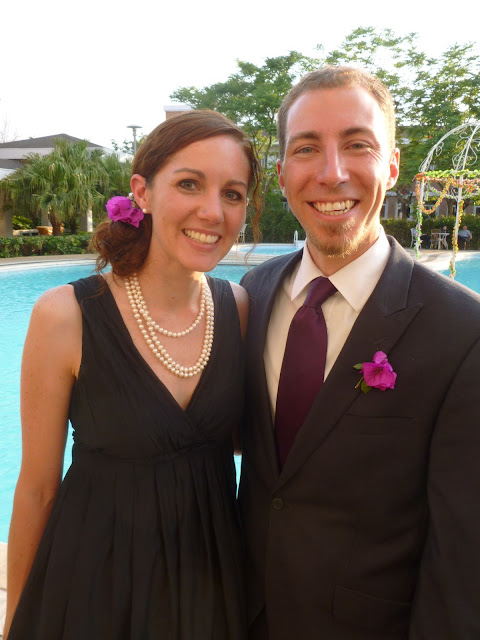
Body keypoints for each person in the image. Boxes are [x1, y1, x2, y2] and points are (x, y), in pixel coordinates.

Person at [239, 66, 480, 639]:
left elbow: (464, 559)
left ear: (391, 166)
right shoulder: (250, 295)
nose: (332, 172)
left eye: (357, 145)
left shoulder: (463, 331)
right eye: (306, 148)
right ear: (282, 173)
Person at [4, 110, 262, 640]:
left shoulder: (236, 307)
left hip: (209, 584)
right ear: (142, 192)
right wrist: (14, 621)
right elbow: (37, 488)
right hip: (97, 583)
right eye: (189, 184)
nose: (213, 211)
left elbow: (241, 442)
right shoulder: (66, 315)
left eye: (232, 194)